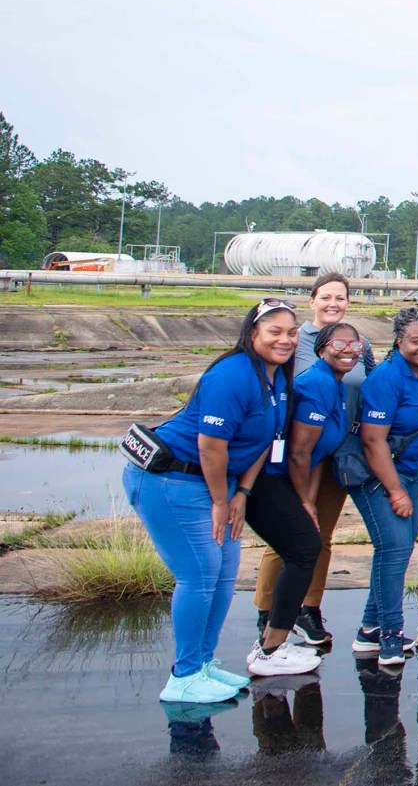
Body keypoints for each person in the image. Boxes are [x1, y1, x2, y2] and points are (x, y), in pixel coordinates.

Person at [125, 298, 322, 702]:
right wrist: (221, 500)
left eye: (291, 332)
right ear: (252, 334)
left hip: (220, 483)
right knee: (199, 575)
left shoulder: (277, 377)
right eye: (274, 332)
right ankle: (182, 677)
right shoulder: (232, 375)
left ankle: (201, 664)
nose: (284, 340)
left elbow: (262, 441)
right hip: (172, 479)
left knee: (223, 571)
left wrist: (243, 493)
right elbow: (211, 446)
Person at [264, 270, 369, 648]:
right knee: (287, 533)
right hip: (297, 454)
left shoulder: (359, 342)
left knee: (320, 536)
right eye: (326, 297)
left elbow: (370, 386)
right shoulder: (293, 339)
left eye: (340, 298)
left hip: (337, 452)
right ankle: (268, 612)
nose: (333, 304)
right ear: (313, 300)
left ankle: (309, 608)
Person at [345, 307, 418, 666]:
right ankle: (390, 634)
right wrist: (395, 491)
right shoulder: (386, 379)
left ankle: (369, 628)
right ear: (399, 341)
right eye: (416, 341)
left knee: (397, 552)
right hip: (379, 476)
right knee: (394, 550)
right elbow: (373, 442)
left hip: (410, 472)